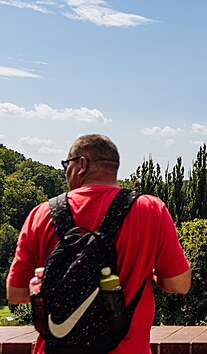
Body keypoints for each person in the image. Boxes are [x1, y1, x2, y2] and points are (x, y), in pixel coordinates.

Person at [6, 134, 191, 354]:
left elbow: (15, 293)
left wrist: (58, 279)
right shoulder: (151, 210)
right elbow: (179, 285)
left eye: (67, 165)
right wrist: (146, 272)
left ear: (81, 164)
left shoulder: (42, 214)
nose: (66, 172)